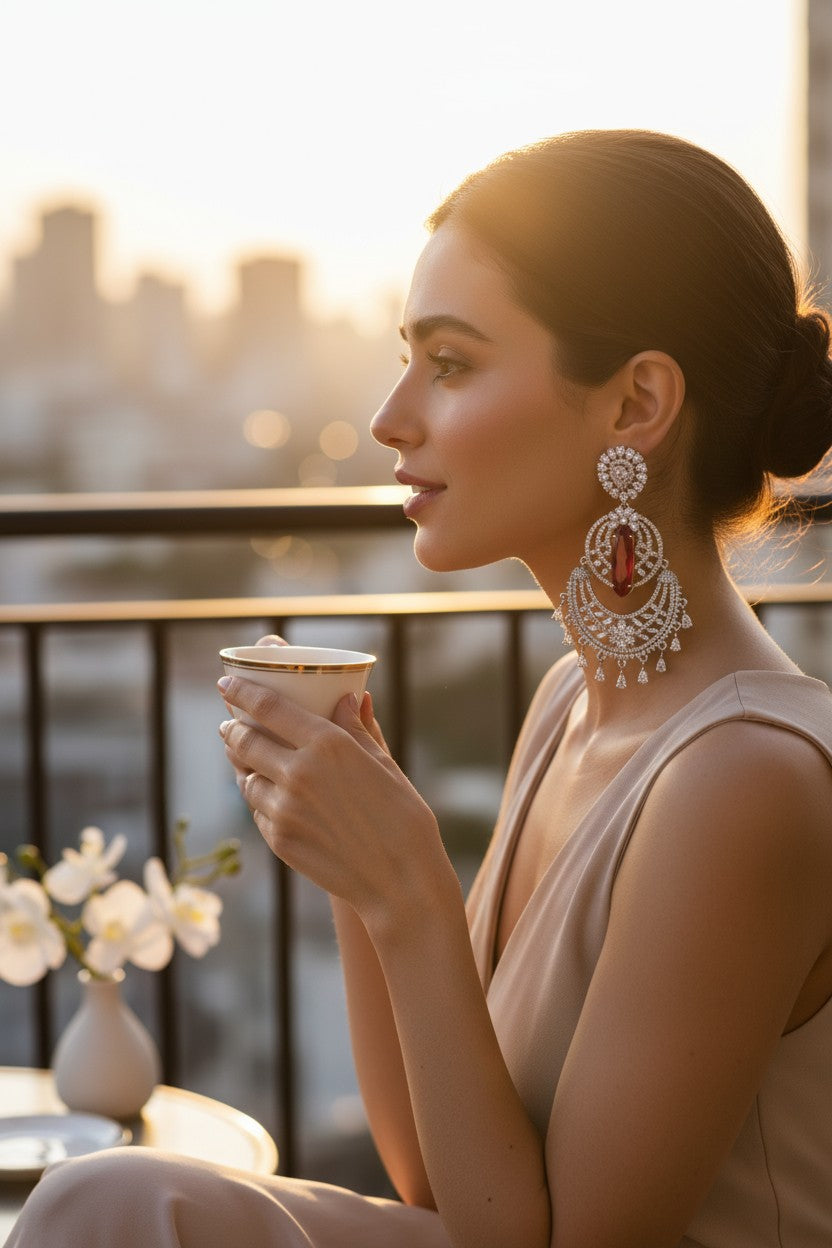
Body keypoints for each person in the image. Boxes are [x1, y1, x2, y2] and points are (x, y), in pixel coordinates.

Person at [10, 129, 832, 1248]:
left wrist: (409, 890)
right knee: (110, 1199)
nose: (390, 417)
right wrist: (357, 871)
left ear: (636, 404)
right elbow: (445, 1187)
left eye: (449, 364)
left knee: (107, 1205)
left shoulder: (745, 782)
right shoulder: (571, 707)